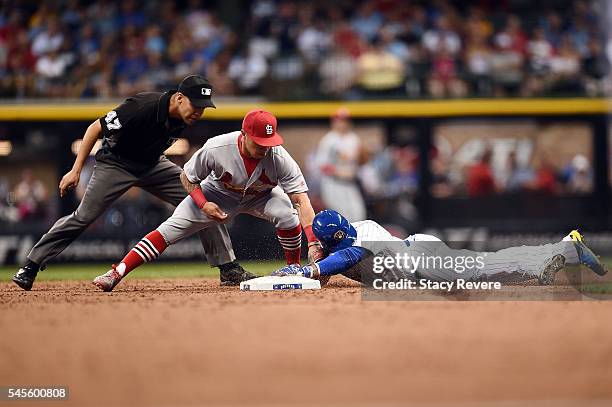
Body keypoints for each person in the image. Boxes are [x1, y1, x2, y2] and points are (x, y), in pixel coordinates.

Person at [12, 75, 254, 291]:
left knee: (203, 202)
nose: (199, 112)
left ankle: (228, 267)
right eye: (196, 105)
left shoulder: (184, 116)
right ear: (179, 98)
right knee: (83, 216)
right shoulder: (142, 106)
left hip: (153, 165)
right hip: (115, 165)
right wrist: (75, 170)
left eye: (204, 107)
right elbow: (94, 128)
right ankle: (31, 265)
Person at [92, 109, 325, 291]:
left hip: (260, 196)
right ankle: (116, 273)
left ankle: (294, 268)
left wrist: (313, 242)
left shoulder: (279, 156)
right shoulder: (217, 147)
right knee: (168, 230)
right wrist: (203, 203)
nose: (265, 148)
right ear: (243, 135)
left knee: (286, 213)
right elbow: (187, 177)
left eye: (269, 142)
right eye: (259, 143)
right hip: (217, 194)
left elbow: (301, 200)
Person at [272, 210, 607, 285]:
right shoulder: (335, 243)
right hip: (414, 268)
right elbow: (328, 270)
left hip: (421, 257)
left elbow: (347, 256)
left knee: (484, 270)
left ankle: (566, 247)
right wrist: (314, 260)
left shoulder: (360, 234)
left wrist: (307, 268)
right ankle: (547, 262)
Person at [316, 107, 366, 222]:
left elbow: (361, 161)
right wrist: (339, 172)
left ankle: (357, 240)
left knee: (359, 215)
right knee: (342, 217)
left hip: (350, 184)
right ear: (334, 122)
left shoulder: (354, 139)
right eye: (339, 120)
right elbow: (321, 165)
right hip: (333, 184)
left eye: (345, 120)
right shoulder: (329, 140)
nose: (342, 123)